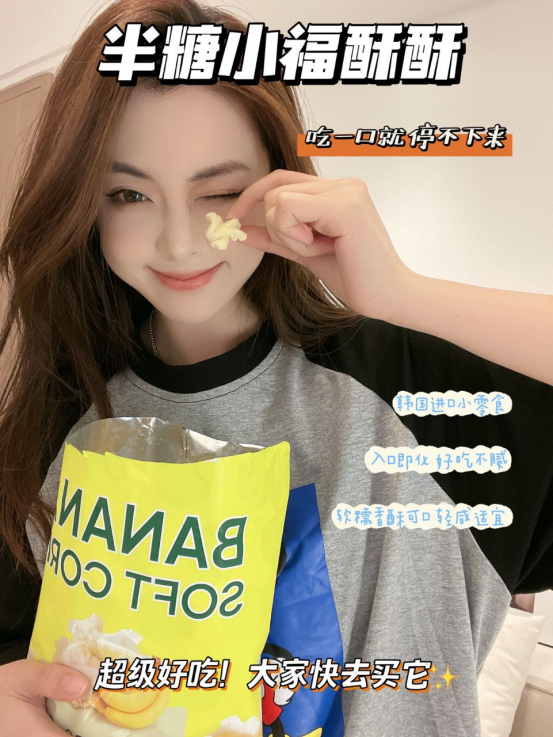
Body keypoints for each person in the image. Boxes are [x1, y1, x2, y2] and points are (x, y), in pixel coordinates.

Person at [0, 1, 551, 735]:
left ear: (279, 182)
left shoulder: (414, 389)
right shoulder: (59, 423)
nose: (179, 242)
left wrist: (405, 294)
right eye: (128, 194)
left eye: (220, 191)